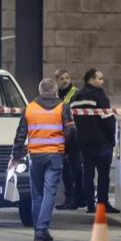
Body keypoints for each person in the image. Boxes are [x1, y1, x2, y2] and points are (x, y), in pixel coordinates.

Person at [9, 78, 75, 241]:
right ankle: (42, 228)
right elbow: (71, 132)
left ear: (40, 91)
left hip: (35, 156)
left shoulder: (29, 108)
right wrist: (68, 152)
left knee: (37, 194)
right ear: (55, 91)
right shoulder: (62, 107)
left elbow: (20, 135)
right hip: (55, 155)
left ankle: (38, 228)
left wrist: (15, 157)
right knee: (49, 192)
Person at [71, 68, 120, 214]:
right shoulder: (99, 96)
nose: (102, 81)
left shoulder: (76, 97)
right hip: (102, 142)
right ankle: (103, 204)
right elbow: (107, 119)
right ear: (91, 79)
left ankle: (90, 205)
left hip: (84, 142)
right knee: (103, 175)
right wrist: (111, 135)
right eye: (99, 78)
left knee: (88, 174)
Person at [54, 69, 83, 210]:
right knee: (66, 170)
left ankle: (75, 200)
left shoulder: (75, 94)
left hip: (74, 136)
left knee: (74, 169)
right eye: (61, 78)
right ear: (57, 81)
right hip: (62, 135)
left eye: (67, 78)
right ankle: (70, 199)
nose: (65, 80)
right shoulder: (57, 95)